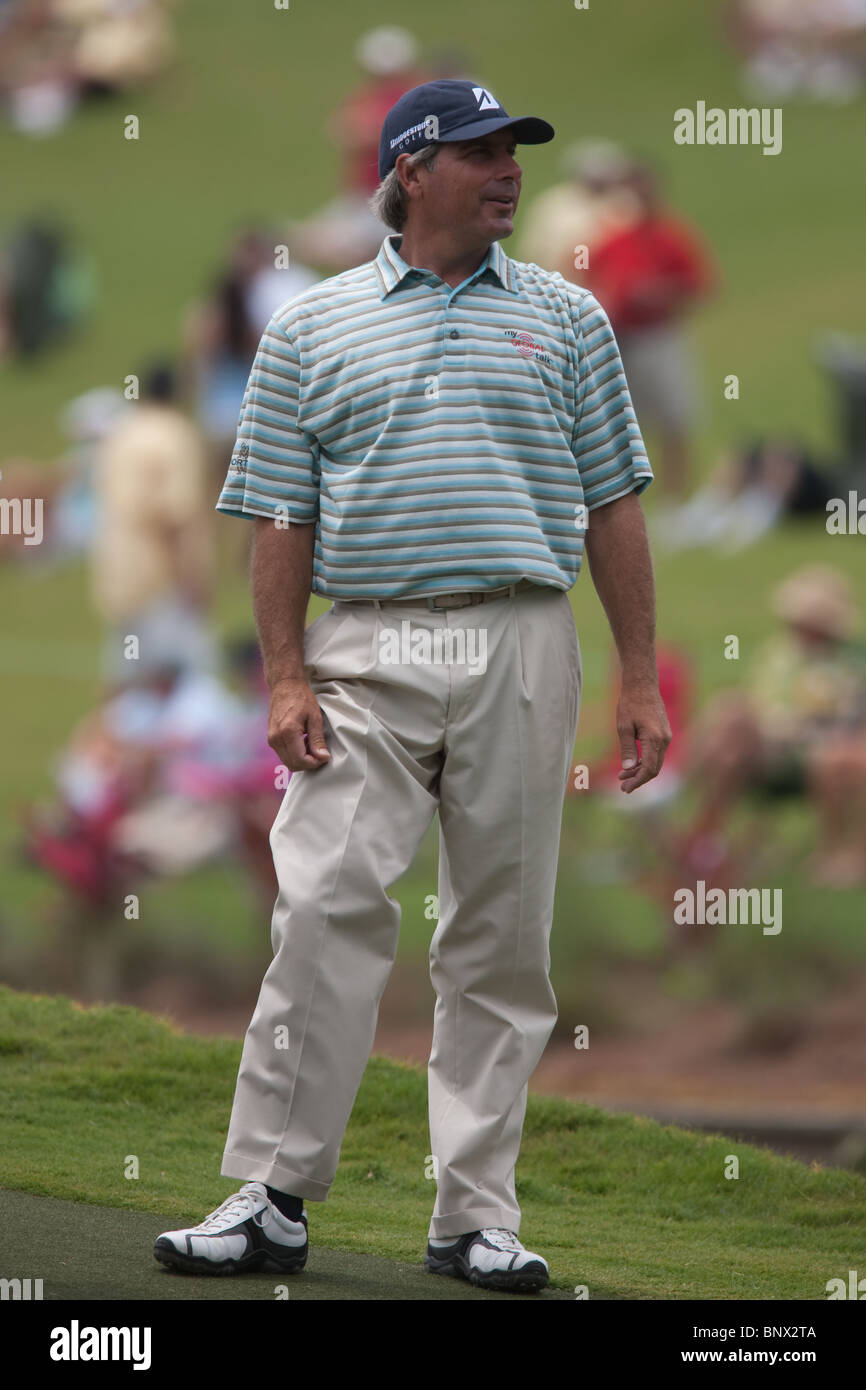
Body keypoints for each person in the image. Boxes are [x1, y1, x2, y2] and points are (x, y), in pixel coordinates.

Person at [154, 78, 670, 1294]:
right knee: (326, 900)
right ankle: (272, 1195)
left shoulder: (569, 317)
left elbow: (613, 504)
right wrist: (281, 675)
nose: (509, 172)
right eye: (481, 152)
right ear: (410, 173)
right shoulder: (312, 328)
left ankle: (473, 1217)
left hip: (523, 640)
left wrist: (640, 674)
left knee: (498, 938)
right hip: (366, 649)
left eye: (514, 153)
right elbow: (277, 517)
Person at [587, 159, 715, 497]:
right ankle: (627, 496)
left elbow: (700, 286)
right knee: (624, 425)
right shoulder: (614, 237)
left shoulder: (671, 235)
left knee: (675, 419)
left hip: (660, 337)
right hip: (621, 339)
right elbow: (590, 277)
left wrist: (660, 293)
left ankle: (677, 498)